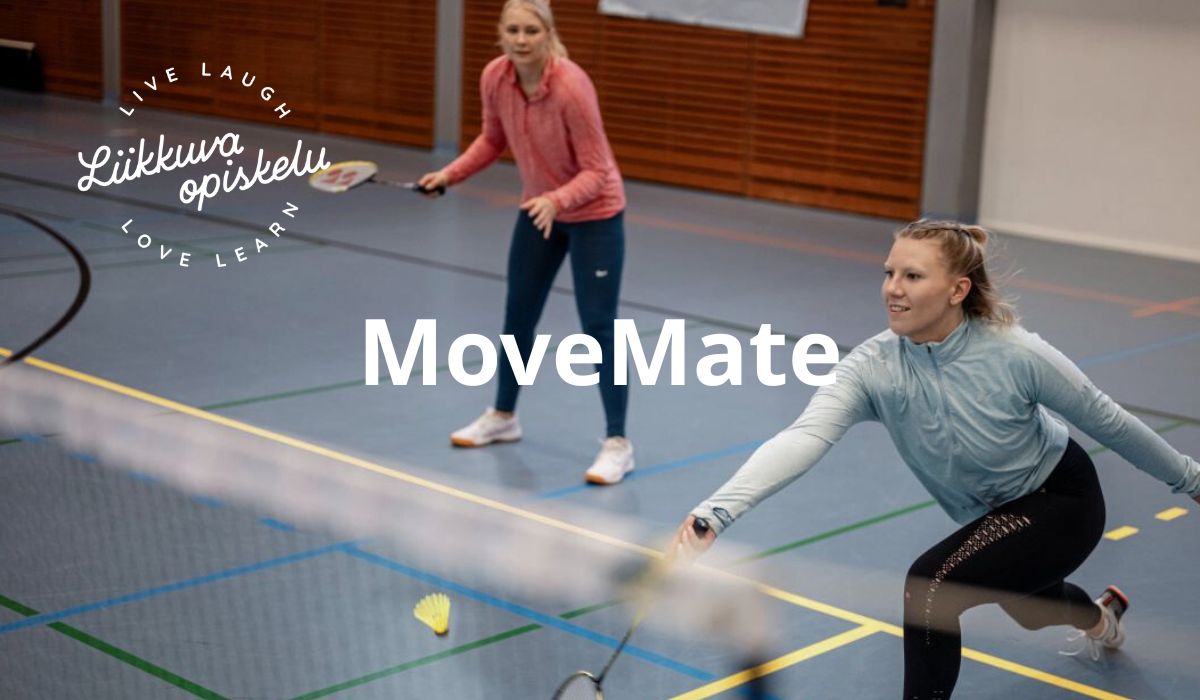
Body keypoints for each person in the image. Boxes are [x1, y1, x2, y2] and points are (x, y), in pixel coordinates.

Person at [668, 219, 1200, 699]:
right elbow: (804, 437)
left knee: (932, 587)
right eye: (889, 272)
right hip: (991, 516)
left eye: (913, 276)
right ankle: (1101, 617)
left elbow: (1108, 420)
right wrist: (716, 513)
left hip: (1061, 500)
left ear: (957, 290)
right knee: (1029, 606)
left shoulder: (1015, 353)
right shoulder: (873, 367)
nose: (893, 289)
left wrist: (1190, 478)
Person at [418, 0, 633, 484]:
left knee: (599, 329)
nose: (520, 40)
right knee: (518, 315)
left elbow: (598, 170)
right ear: (501, 34)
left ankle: (618, 443)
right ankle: (503, 416)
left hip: (593, 214)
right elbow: (492, 139)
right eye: (512, 30)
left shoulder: (572, 87)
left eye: (531, 31)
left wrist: (557, 201)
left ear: (547, 33)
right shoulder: (495, 77)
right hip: (541, 211)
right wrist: (449, 175)